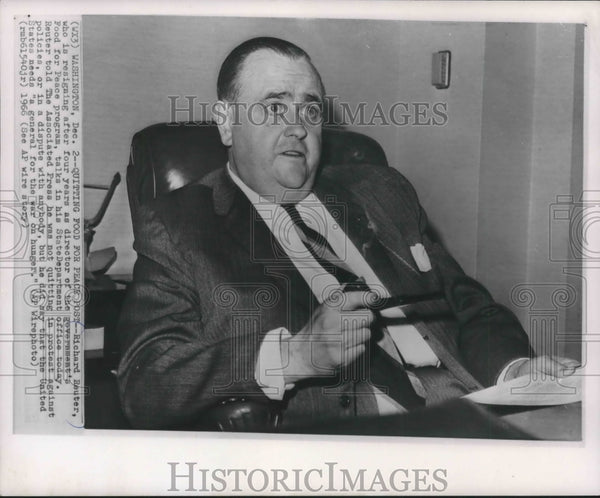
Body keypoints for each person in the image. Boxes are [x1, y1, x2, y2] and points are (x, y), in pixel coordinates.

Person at [116, 37, 578, 430]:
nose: (297, 127)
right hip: (365, 438)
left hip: (481, 407)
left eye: (310, 109)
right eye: (274, 107)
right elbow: (146, 377)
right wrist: (295, 356)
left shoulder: (384, 190)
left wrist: (517, 370)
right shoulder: (179, 226)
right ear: (226, 122)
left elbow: (469, 305)